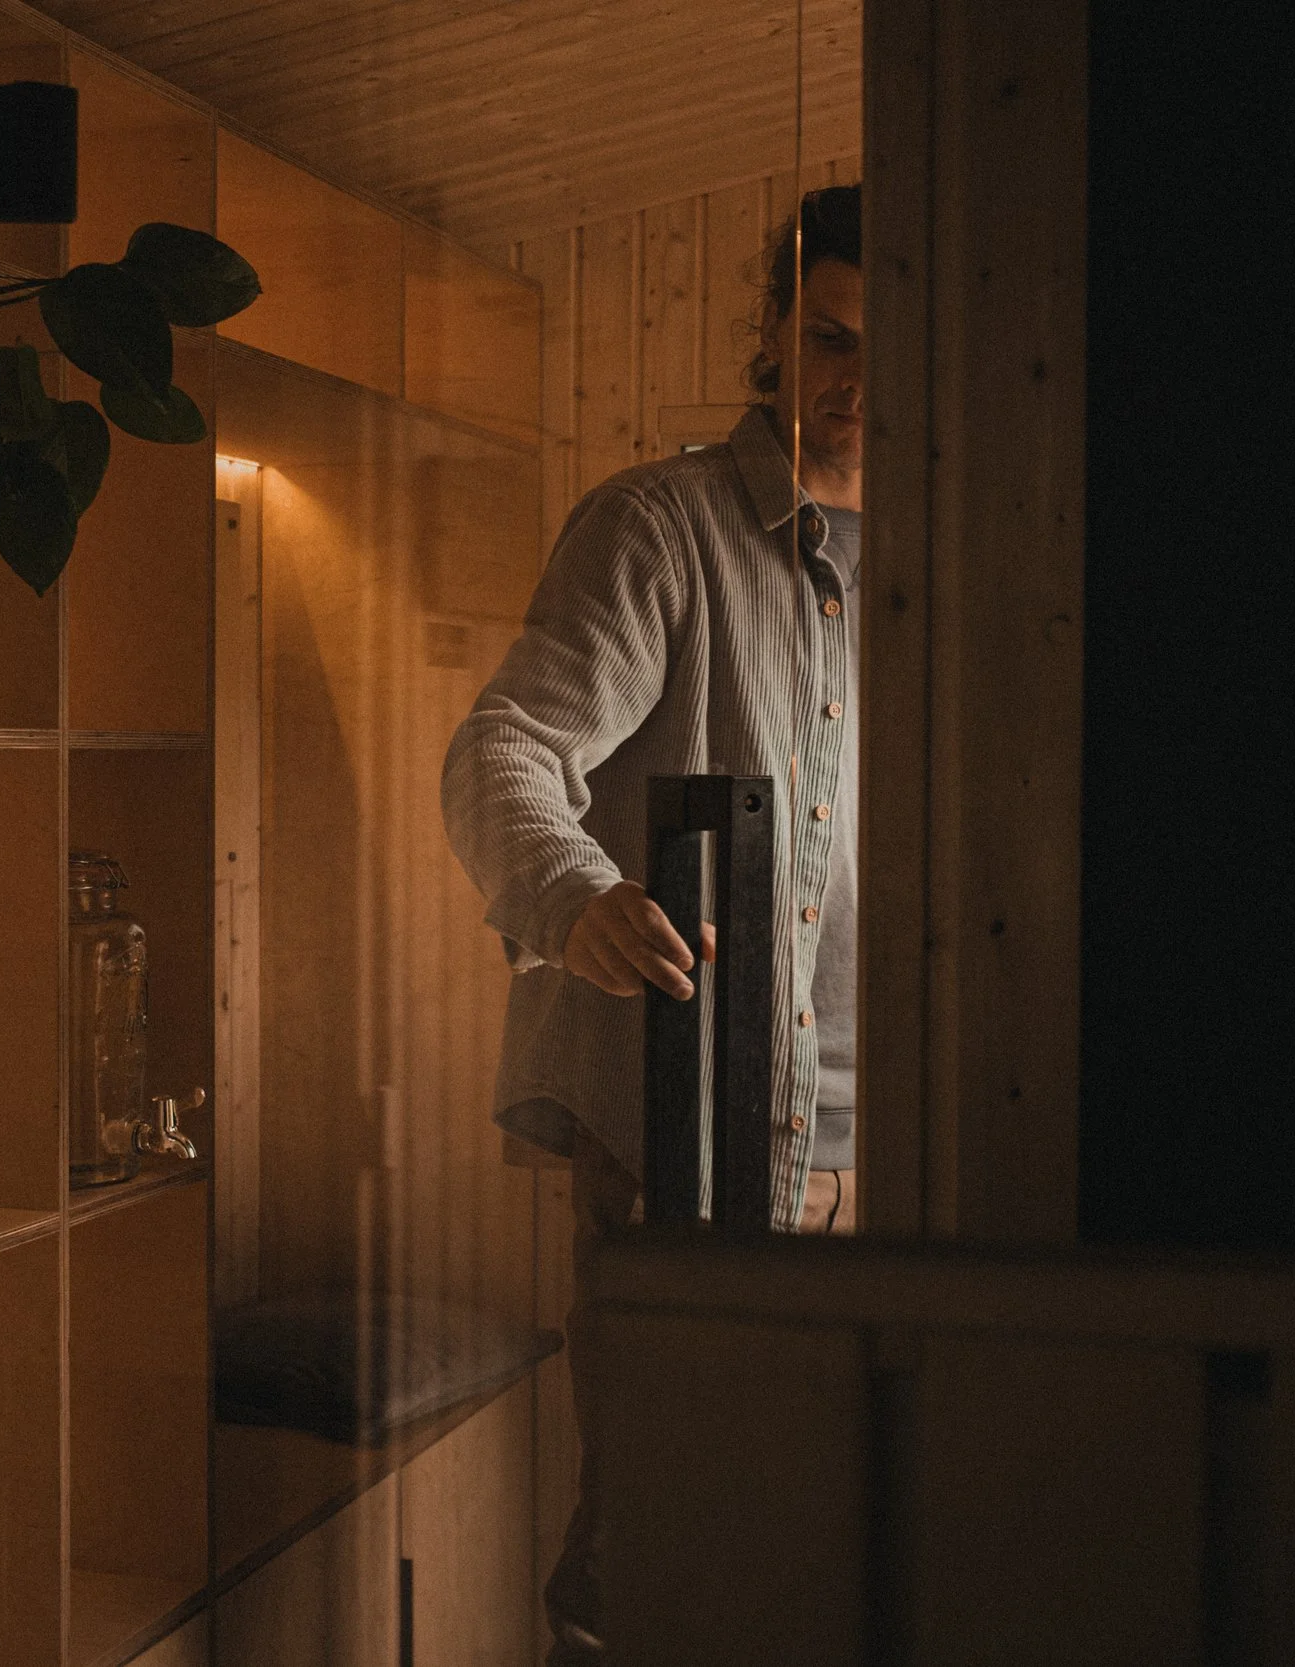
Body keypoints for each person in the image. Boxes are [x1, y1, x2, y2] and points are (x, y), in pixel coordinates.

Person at [441, 183, 865, 1665]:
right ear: (773, 329)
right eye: (831, 336)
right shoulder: (660, 526)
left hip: (899, 1166)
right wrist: (574, 899)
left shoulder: (972, 555)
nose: (858, 380)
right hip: (693, 1142)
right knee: (652, 1556)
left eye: (896, 346)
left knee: (831, 1568)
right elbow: (500, 748)